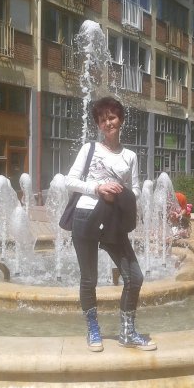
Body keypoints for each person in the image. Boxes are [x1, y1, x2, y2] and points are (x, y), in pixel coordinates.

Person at [65, 96, 156, 352]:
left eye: (112, 117)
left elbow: (135, 190)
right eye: (102, 119)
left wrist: (120, 193)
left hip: (113, 220)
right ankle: (93, 329)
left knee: (134, 277)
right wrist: (98, 188)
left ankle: (127, 332)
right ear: (98, 124)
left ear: (121, 120)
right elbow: (69, 181)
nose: (108, 123)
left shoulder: (130, 156)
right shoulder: (89, 149)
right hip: (85, 216)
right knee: (89, 279)